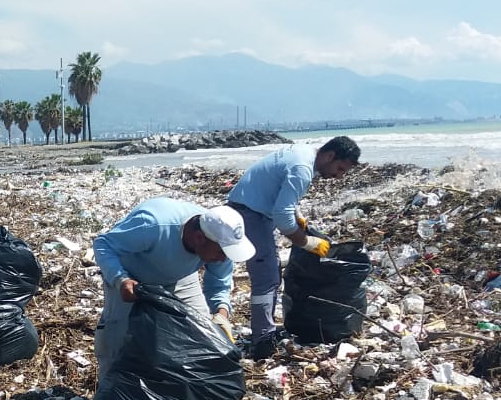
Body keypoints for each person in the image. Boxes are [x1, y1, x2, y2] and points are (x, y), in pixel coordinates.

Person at [91, 198, 254, 387]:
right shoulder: (154, 225)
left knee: (203, 334)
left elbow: (218, 284)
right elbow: (103, 244)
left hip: (181, 277)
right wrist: (121, 280)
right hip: (132, 278)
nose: (223, 259)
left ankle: (179, 396)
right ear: (199, 238)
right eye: (221, 253)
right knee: (117, 341)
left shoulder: (219, 241)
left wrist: (222, 313)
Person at [225, 135, 361, 358]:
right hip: (250, 214)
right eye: (340, 168)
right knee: (266, 278)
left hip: (250, 208)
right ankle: (262, 340)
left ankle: (264, 330)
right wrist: (308, 242)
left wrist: (297, 214)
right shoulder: (302, 169)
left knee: (268, 274)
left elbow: (280, 192)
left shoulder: (303, 153)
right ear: (329, 155)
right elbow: (282, 219)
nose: (338, 176)